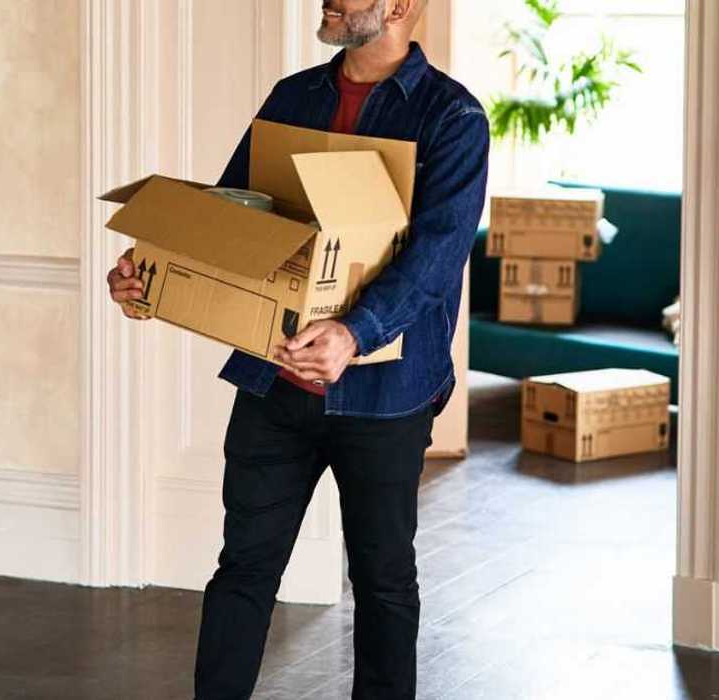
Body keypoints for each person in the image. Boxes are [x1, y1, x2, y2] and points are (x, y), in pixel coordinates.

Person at [106, 1, 488, 696]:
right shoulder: (295, 97)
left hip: (383, 397)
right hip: (273, 381)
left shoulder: (451, 118)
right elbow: (228, 216)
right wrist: (148, 276)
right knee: (243, 570)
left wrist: (353, 333)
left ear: (398, 6)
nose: (328, 1)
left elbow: (436, 256)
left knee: (382, 584)